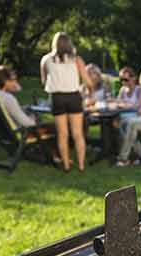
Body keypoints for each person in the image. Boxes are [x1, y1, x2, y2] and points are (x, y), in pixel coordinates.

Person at [40, 32, 92, 172]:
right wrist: (90, 92)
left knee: (62, 134)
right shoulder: (77, 60)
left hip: (57, 97)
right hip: (74, 97)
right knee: (77, 133)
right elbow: (87, 81)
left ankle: (66, 166)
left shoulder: (46, 59)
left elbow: (44, 81)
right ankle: (81, 165)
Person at [0, 66, 57, 147]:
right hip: (21, 132)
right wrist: (33, 119)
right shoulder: (8, 98)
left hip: (3, 132)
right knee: (56, 126)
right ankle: (54, 154)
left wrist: (23, 109)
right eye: (14, 80)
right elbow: (27, 124)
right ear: (5, 81)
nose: (16, 82)